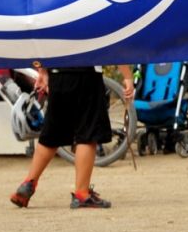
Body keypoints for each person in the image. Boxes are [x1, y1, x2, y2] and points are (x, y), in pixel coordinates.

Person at [9, 64, 134, 209]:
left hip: (57, 74)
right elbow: (112, 44)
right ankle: (82, 194)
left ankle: (28, 183)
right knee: (88, 133)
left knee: (52, 134)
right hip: (87, 74)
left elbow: (44, 44)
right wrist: (128, 77)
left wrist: (43, 71)